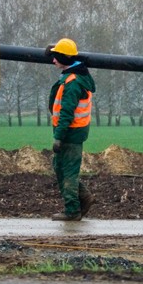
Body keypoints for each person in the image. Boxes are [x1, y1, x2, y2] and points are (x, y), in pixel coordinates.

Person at [47, 38, 96, 221]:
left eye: (55, 57)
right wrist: (51, 50)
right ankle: (84, 197)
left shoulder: (73, 82)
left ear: (64, 58)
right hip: (73, 133)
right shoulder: (75, 74)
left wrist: (58, 137)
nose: (53, 60)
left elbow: (66, 112)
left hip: (70, 134)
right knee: (61, 168)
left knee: (67, 171)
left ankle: (72, 211)